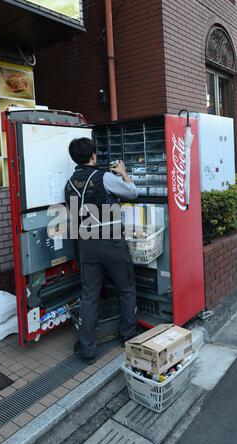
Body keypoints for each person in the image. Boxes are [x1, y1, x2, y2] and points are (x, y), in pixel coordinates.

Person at [65, 137, 138, 364]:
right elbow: (132, 193)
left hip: (86, 244)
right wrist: (124, 173)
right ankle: (128, 336)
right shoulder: (103, 177)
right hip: (111, 241)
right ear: (93, 156)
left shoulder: (68, 183)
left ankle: (87, 350)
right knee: (126, 288)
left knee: (89, 295)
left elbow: (73, 213)